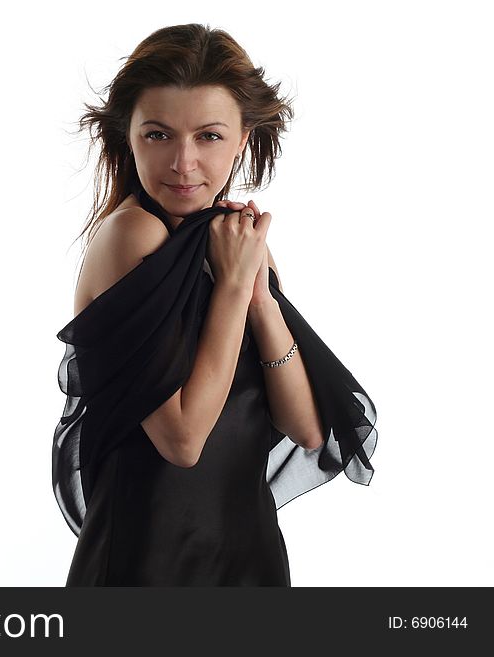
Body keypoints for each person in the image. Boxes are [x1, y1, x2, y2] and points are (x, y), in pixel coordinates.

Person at [52, 23, 377, 586]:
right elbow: (181, 440)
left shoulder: (234, 240)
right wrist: (231, 288)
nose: (183, 163)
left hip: (248, 555)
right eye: (159, 135)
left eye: (208, 136)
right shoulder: (132, 238)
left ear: (243, 137)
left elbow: (306, 429)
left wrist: (256, 295)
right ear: (126, 136)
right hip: (149, 561)